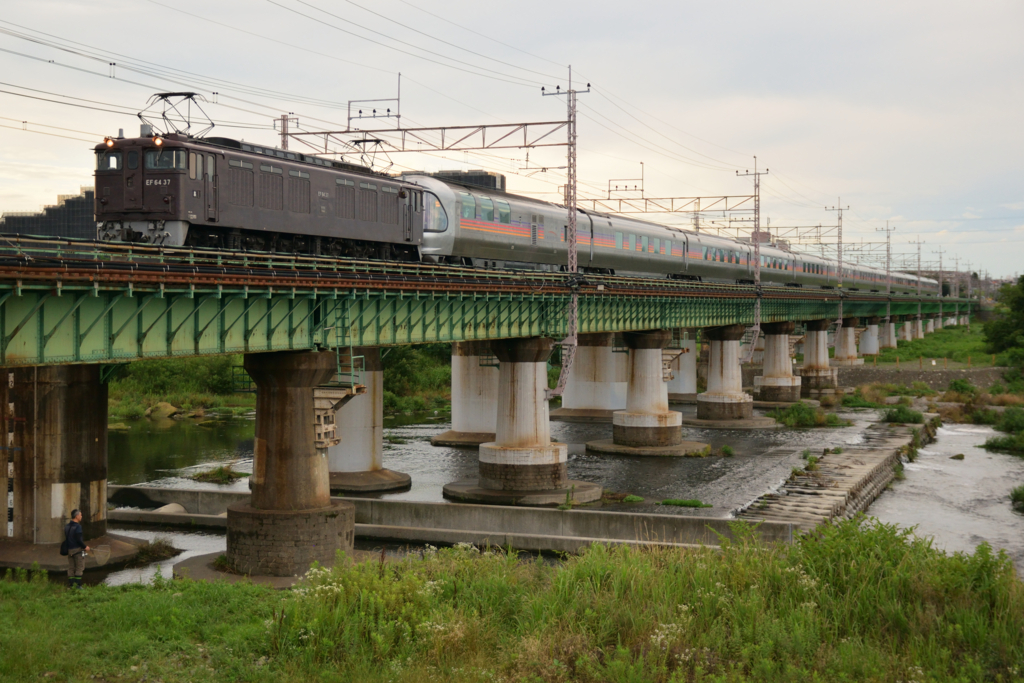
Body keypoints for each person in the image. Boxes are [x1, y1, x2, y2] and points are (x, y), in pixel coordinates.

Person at [64, 509, 90, 589]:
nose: (81, 516)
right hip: (77, 550)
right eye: (81, 515)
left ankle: (71, 586)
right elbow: (78, 540)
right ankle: (78, 586)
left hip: (69, 550)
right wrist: (85, 547)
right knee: (79, 567)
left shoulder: (67, 526)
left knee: (71, 568)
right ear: (77, 516)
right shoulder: (78, 527)